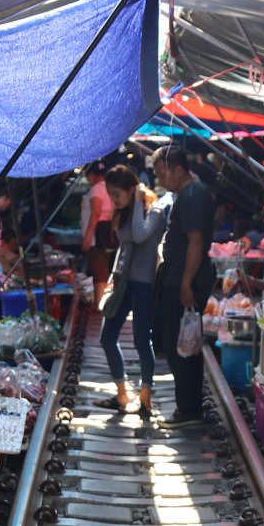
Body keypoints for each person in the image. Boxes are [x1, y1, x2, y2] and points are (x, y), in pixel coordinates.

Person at [96, 164, 168, 418]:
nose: (113, 200)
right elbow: (124, 249)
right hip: (123, 282)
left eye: (117, 194)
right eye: (110, 194)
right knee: (107, 337)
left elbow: (139, 236)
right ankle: (122, 393)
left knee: (140, 340)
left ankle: (145, 396)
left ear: (132, 189)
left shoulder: (154, 211)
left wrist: (138, 200)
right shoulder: (125, 212)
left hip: (143, 284)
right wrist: (113, 280)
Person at [154, 143, 215, 425]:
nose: (160, 180)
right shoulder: (189, 192)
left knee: (181, 344)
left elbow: (195, 242)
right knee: (183, 341)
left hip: (185, 278)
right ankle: (188, 405)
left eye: (162, 173)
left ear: (178, 169)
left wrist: (185, 283)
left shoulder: (191, 195)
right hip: (180, 275)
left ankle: (188, 408)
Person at [80, 161, 113, 305]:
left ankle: (100, 305)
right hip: (105, 233)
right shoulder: (108, 187)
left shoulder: (97, 189)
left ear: (92, 175)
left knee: (99, 272)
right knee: (103, 270)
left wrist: (87, 238)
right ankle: (102, 303)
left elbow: (96, 213)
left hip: (96, 236)